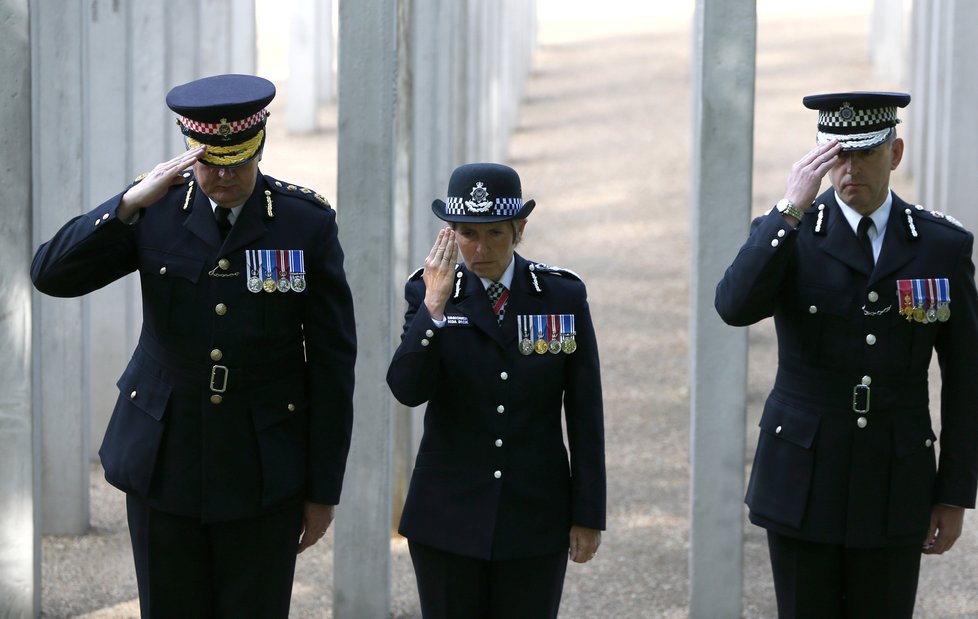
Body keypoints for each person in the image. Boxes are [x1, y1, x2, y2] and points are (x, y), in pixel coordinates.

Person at [31, 74, 356, 618]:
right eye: (209, 162)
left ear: (259, 147)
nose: (223, 175)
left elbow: (331, 363)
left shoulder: (305, 224)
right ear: (189, 152)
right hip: (165, 458)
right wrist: (127, 202)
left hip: (262, 465)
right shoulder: (153, 212)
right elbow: (50, 273)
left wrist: (323, 490)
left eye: (237, 161)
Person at [716, 91, 978, 617]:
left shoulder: (939, 245)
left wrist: (953, 494)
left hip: (894, 479)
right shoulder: (788, 235)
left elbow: (966, 376)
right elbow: (734, 307)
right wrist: (788, 208)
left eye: (865, 153)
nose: (850, 168)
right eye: (838, 155)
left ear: (895, 153)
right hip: (801, 478)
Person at [387, 163, 606, 618]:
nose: (480, 249)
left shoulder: (561, 296)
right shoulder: (427, 293)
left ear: (519, 228)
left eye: (495, 235)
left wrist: (587, 513)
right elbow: (407, 389)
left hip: (534, 512)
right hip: (446, 512)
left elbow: (585, 411)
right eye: (467, 233)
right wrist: (433, 308)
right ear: (450, 232)